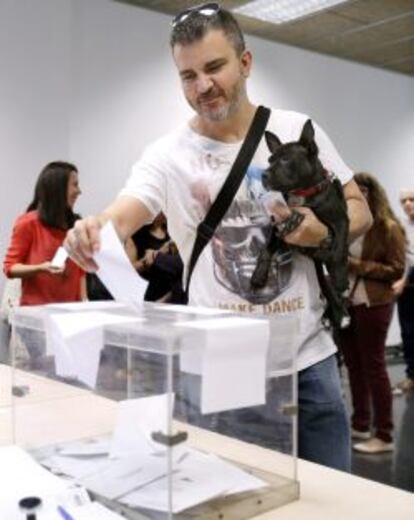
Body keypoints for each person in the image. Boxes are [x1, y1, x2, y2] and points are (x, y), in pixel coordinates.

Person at [64, 4, 372, 471]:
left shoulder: (294, 130)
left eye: (213, 67)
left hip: (310, 363)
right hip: (223, 371)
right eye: (187, 75)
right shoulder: (167, 155)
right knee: (237, 497)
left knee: (334, 504)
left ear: (244, 63)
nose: (202, 86)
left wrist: (320, 231)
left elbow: (360, 209)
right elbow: (123, 212)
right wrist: (93, 230)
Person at [336, 173, 405, 454]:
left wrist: (357, 265)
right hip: (346, 304)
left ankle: (385, 435)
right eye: (354, 191)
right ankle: (361, 423)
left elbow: (397, 269)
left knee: (374, 366)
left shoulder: (388, 227)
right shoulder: (345, 226)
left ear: (374, 194)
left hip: (374, 304)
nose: (359, 196)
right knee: (353, 365)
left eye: (364, 191)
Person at [3, 161, 85, 305]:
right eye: (75, 185)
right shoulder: (28, 223)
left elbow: (81, 271)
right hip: (37, 315)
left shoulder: (75, 224)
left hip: (71, 314)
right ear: (58, 188)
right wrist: (41, 268)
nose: (79, 191)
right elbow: (10, 267)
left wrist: (85, 301)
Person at [131, 213, 185, 303]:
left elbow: (179, 268)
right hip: (147, 296)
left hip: (169, 297)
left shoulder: (172, 232)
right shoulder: (136, 234)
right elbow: (130, 270)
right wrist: (158, 254)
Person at [392, 189, 414, 393]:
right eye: (403, 201)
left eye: (411, 199)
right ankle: (411, 377)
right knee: (408, 332)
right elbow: (404, 258)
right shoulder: (400, 226)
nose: (407, 204)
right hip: (407, 285)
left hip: (408, 280)